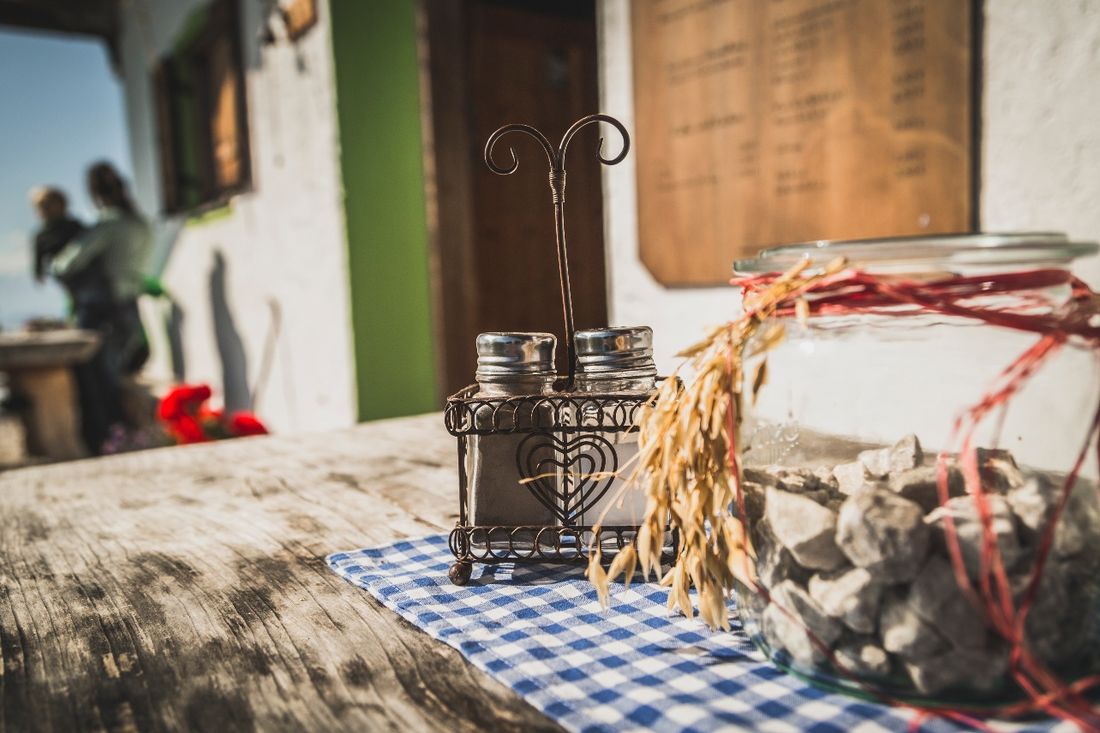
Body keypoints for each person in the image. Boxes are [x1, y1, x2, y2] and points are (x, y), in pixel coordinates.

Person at [51, 162, 152, 453]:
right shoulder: (140, 225)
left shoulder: (106, 226)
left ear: (96, 194)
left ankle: (108, 440)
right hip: (130, 305)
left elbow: (65, 264)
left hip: (101, 309)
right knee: (121, 372)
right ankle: (127, 438)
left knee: (99, 380)